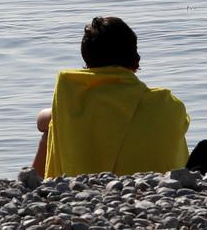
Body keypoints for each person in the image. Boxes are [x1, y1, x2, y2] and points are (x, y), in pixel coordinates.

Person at [32, 16, 189, 178]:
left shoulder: (76, 100)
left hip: (86, 186)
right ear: (135, 59)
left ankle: (31, 188)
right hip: (162, 186)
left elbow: (41, 121)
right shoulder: (167, 103)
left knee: (51, 130)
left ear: (87, 62)